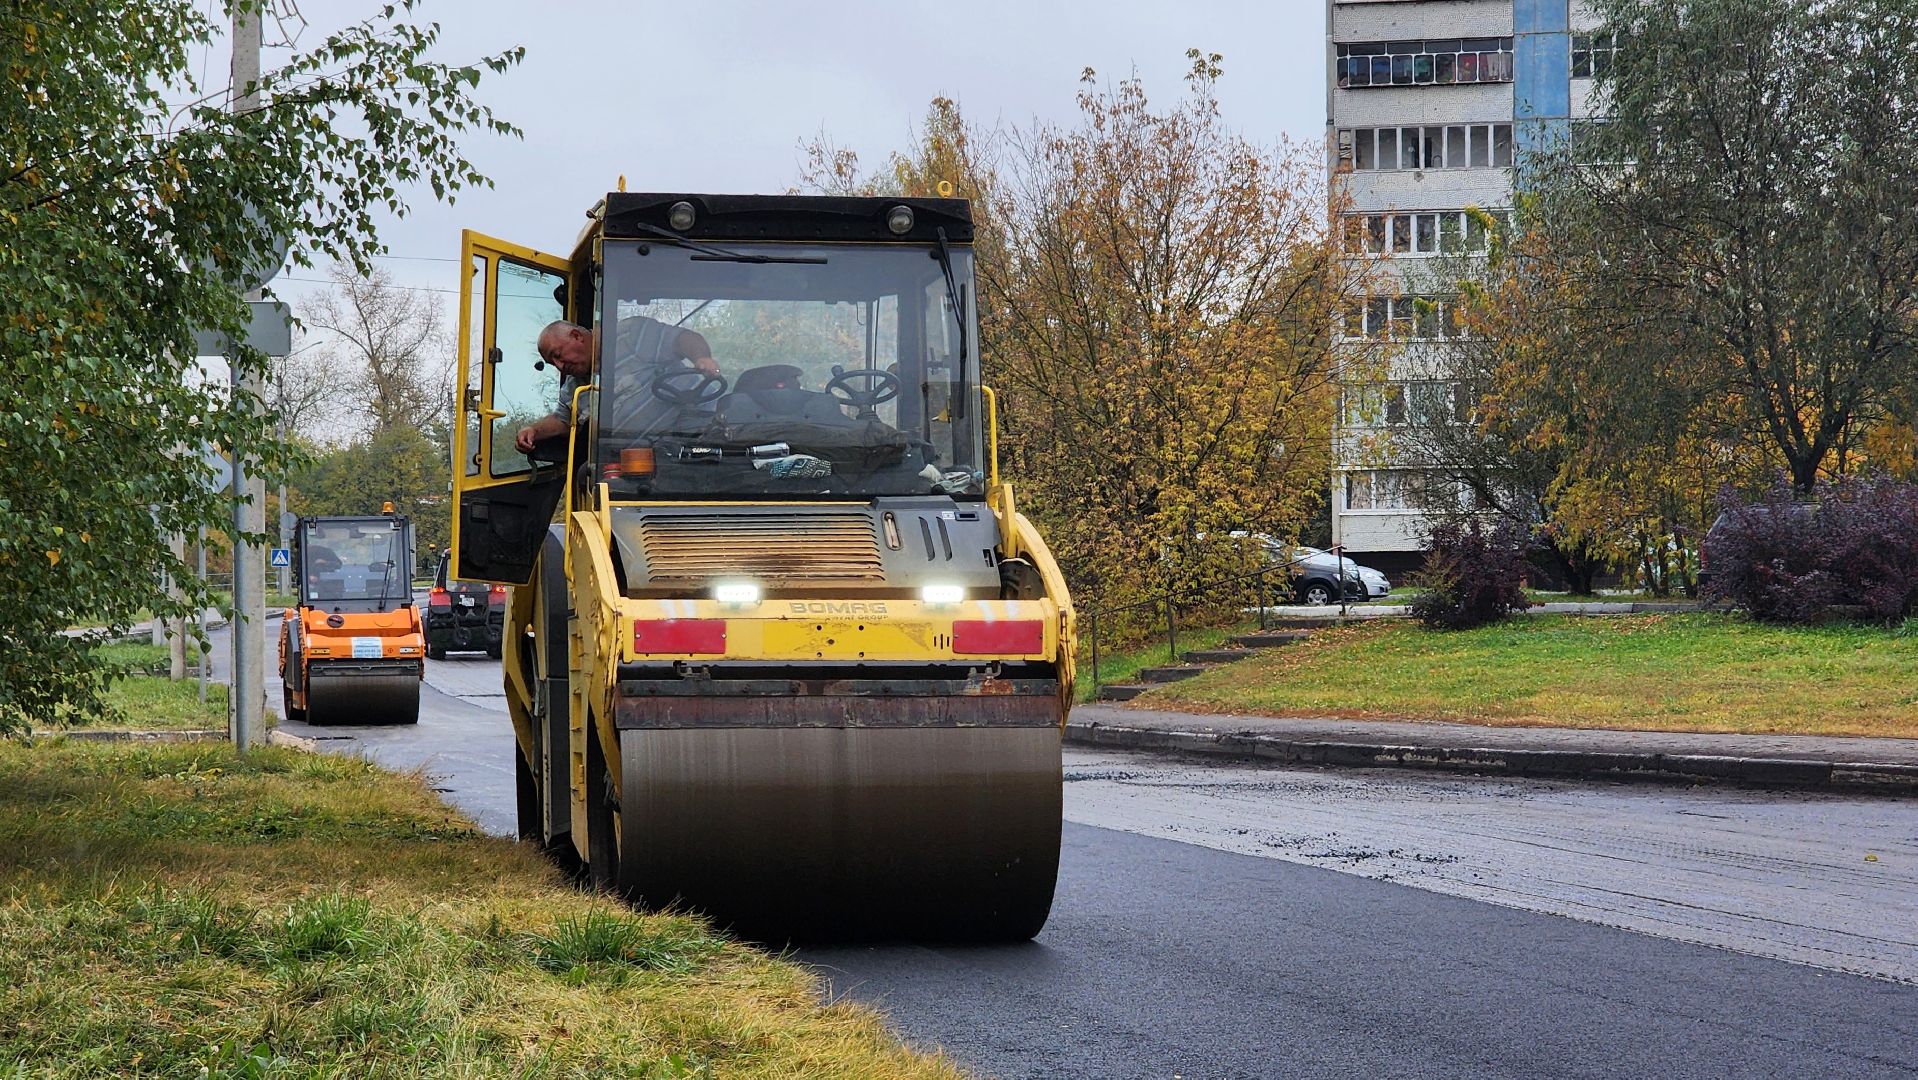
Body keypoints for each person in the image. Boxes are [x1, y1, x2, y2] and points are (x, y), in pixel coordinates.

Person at [514, 318, 719, 452]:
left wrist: (702, 358)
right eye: (553, 364)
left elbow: (684, 339)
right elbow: (563, 421)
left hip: (697, 438)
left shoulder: (631, 336)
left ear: (576, 336)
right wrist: (533, 430)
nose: (560, 367)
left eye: (558, 356)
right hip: (642, 468)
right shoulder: (574, 387)